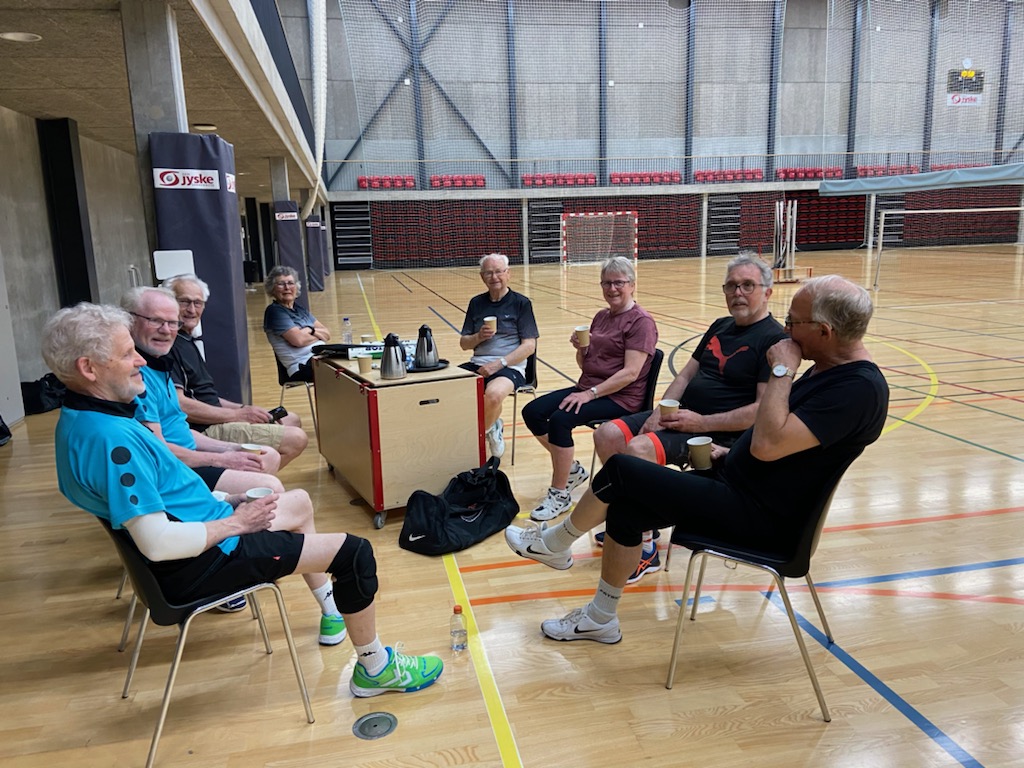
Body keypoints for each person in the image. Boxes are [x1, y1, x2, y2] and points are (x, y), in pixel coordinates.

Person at [44, 302, 443, 695]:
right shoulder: (112, 442)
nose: (141, 361)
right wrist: (237, 522)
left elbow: (164, 496)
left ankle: (332, 610)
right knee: (355, 554)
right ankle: (375, 668)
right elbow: (158, 543)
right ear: (89, 368)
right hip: (207, 560)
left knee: (299, 503)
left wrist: (226, 500)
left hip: (203, 533)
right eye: (127, 354)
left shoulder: (81, 421)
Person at [506, 275, 889, 644]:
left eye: (793, 322)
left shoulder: (858, 389)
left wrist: (782, 369)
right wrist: (730, 453)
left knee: (623, 469)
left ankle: (557, 542)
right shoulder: (828, 369)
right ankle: (599, 619)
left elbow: (769, 444)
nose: (786, 331)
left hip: (763, 519)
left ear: (824, 331)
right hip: (739, 486)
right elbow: (785, 445)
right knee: (626, 509)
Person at [590, 253, 788, 582]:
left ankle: (645, 546)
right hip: (683, 419)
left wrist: (701, 423)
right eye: (731, 286)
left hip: (716, 436)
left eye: (747, 285)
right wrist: (659, 411)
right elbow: (684, 375)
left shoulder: (775, 340)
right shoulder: (720, 326)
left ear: (767, 292)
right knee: (607, 434)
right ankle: (633, 523)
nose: (737, 293)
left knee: (639, 449)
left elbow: (760, 412)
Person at [521, 256, 658, 521]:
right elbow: (586, 365)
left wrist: (589, 394)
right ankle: (571, 470)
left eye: (618, 282)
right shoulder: (601, 316)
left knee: (560, 420)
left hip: (621, 397)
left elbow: (630, 373)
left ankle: (559, 494)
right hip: (590, 388)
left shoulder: (641, 322)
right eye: (606, 283)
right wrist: (582, 350)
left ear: (632, 285)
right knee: (533, 412)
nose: (612, 288)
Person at [122, 286, 285, 497]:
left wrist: (232, 449)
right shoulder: (136, 378)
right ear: (129, 320)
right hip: (171, 471)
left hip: (187, 454)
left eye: (172, 323)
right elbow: (157, 451)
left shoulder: (159, 364)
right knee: (272, 487)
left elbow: (179, 429)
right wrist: (221, 458)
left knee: (268, 456)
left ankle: (228, 509)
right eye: (155, 320)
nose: (166, 330)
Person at [162, 273, 309, 468]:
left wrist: (243, 409)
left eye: (198, 303)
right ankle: (246, 479)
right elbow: (180, 405)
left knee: (291, 419)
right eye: (184, 302)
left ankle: (251, 475)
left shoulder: (186, 341)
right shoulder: (169, 347)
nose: (192, 309)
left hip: (216, 419)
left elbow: (206, 397)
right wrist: (238, 415)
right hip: (203, 429)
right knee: (296, 439)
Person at [459, 253, 539, 458]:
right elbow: (464, 343)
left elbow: (529, 346)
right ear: (482, 276)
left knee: (493, 395)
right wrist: (478, 336)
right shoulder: (476, 303)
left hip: (510, 366)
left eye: (498, 272)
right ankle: (493, 424)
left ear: (508, 274)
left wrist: (498, 364)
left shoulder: (521, 303)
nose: (494, 277)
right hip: (478, 363)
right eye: (488, 273)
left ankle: (477, 439)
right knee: (446, 390)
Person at [264, 266, 330, 383]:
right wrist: (314, 333)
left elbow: (327, 334)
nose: (287, 288)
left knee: (351, 359)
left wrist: (309, 330)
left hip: (318, 357)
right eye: (281, 284)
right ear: (272, 288)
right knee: (343, 371)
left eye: (290, 283)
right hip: (301, 366)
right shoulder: (274, 311)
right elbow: (298, 340)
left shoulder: (300, 310)